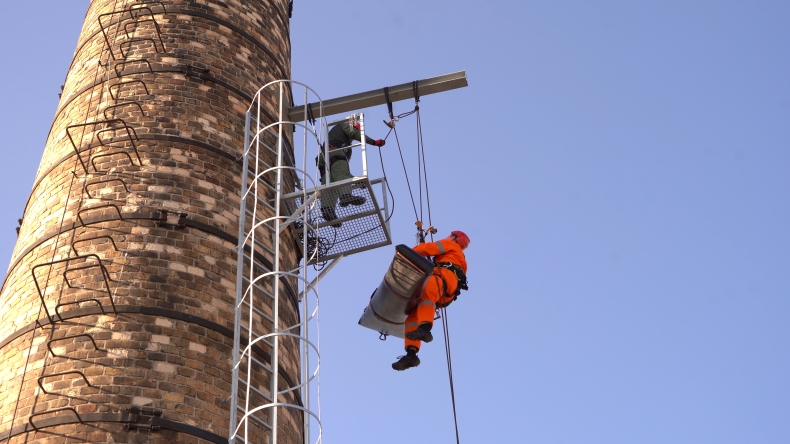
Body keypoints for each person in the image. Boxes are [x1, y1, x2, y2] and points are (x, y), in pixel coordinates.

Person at [392, 230, 470, 371]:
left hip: (444, 277)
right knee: (412, 317)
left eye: (450, 235)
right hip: (448, 291)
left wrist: (411, 251)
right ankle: (411, 354)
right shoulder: (461, 258)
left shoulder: (450, 245)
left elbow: (426, 249)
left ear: (453, 237)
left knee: (427, 292)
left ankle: (425, 329)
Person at [317, 117, 385, 227]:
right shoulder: (345, 125)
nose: (353, 139)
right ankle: (345, 196)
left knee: (330, 183)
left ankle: (327, 210)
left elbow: (342, 173)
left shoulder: (343, 142)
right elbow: (342, 171)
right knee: (338, 177)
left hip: (324, 160)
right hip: (334, 153)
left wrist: (356, 181)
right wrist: (374, 142)